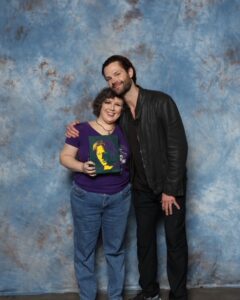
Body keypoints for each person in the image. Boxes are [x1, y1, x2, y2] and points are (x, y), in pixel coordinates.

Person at [66, 55, 188, 300]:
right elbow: (101, 126)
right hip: (140, 188)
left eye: (117, 74)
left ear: (130, 72)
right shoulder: (118, 111)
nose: (114, 80)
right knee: (144, 243)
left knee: (174, 242)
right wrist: (76, 127)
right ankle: (150, 291)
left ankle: (178, 294)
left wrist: (170, 189)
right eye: (109, 78)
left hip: (168, 188)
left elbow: (178, 146)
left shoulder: (161, 101)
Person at [60, 87, 131, 300]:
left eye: (118, 105)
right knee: (85, 252)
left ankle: (116, 297)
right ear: (99, 105)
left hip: (120, 198)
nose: (112, 108)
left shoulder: (125, 130)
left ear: (122, 110)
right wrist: (82, 167)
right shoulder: (80, 129)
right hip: (86, 198)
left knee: (115, 250)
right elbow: (65, 157)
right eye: (108, 102)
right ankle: (87, 297)